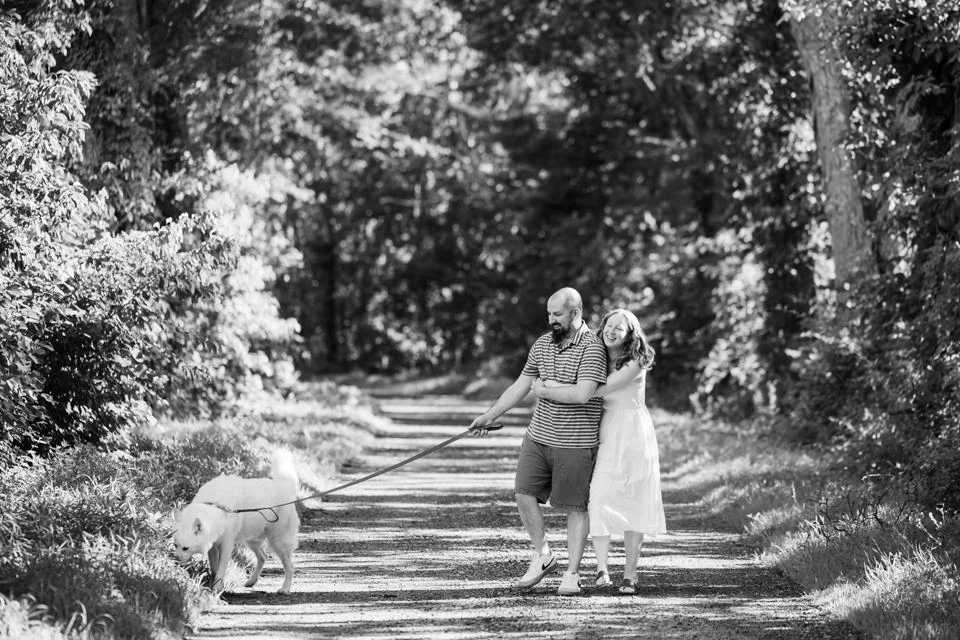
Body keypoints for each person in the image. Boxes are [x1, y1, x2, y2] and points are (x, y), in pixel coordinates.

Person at [470, 287, 607, 596]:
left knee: (575, 507)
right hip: (539, 436)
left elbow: (582, 394)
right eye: (549, 314)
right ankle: (543, 554)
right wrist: (489, 415)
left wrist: (545, 391)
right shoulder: (543, 344)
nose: (551, 320)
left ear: (576, 312)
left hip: (575, 442)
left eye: (557, 314)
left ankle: (572, 574)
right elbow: (521, 385)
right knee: (523, 493)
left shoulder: (593, 348)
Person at [531, 308, 666, 595]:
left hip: (631, 434)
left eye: (620, 327)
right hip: (603, 431)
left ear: (631, 334)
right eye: (609, 324)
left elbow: (597, 390)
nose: (612, 330)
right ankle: (602, 569)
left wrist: (550, 388)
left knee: (633, 500)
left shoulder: (635, 361)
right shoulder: (597, 356)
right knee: (598, 498)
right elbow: (582, 383)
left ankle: (630, 575)